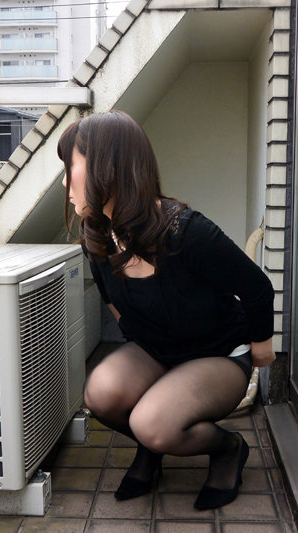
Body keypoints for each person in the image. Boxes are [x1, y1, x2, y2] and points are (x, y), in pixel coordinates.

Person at [57, 110, 275, 510]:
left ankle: (228, 449)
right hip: (159, 351)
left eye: (70, 167)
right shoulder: (98, 235)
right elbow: (112, 300)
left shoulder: (185, 231)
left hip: (218, 354)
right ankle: (151, 446)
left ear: (107, 168)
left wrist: (261, 344)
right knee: (100, 394)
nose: (65, 182)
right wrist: (143, 352)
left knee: (151, 421)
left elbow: (256, 287)